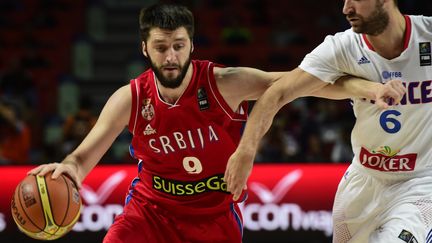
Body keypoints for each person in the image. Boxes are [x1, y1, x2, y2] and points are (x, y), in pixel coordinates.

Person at [29, 3, 404, 243]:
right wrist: (69, 170)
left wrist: (371, 88)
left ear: (192, 44)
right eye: (161, 46)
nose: (171, 56)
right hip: (150, 213)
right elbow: (83, 155)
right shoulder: (130, 98)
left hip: (214, 219)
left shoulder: (225, 82)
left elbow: (304, 83)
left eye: (179, 45)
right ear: (145, 48)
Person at [225, 0, 430, 242]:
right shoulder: (342, 46)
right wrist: (246, 150)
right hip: (363, 179)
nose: (346, 9)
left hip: (421, 181)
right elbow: (277, 92)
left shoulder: (426, 33)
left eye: (355, 0)